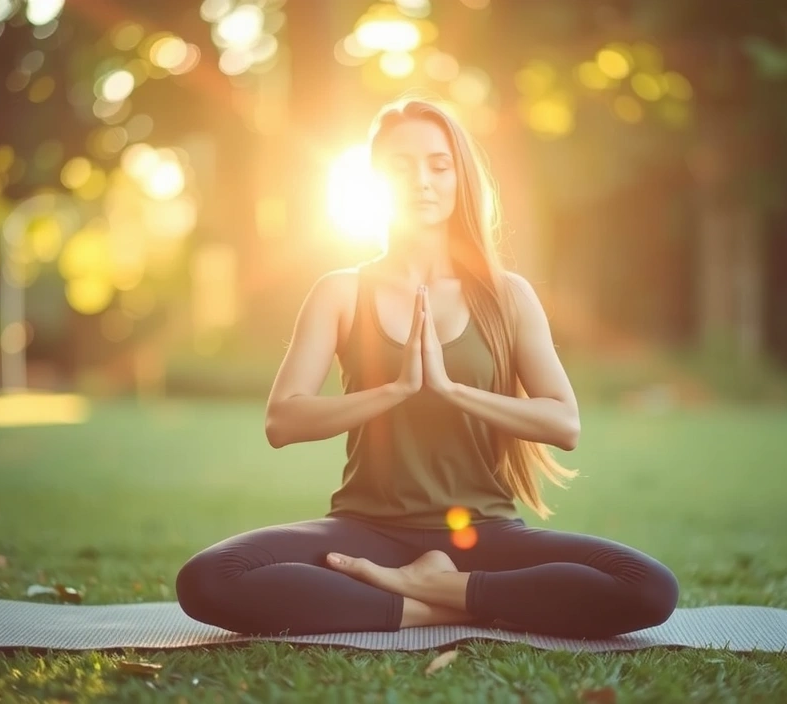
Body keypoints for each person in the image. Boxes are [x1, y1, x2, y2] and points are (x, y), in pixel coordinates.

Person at [175, 98, 678, 638]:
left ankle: (440, 588)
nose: (421, 181)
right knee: (208, 579)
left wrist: (450, 390)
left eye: (438, 165)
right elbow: (283, 421)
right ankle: (432, 605)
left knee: (648, 586)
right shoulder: (341, 291)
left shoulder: (508, 296)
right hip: (366, 530)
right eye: (400, 166)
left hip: (484, 534)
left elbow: (565, 424)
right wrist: (398, 389)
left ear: (461, 177)